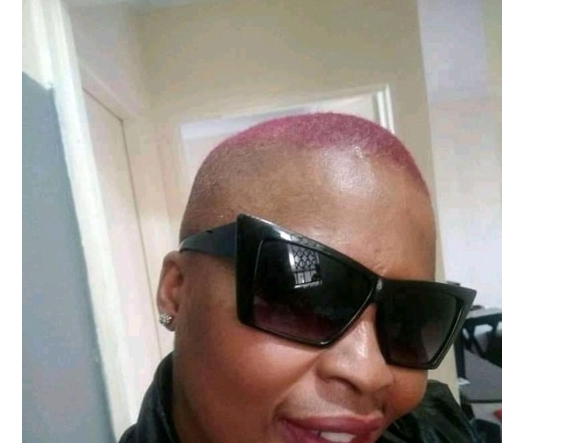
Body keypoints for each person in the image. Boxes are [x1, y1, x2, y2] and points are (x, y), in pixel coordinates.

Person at [120, 113, 479, 443]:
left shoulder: (441, 428)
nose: (370, 373)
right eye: (302, 303)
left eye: (409, 321)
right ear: (177, 290)